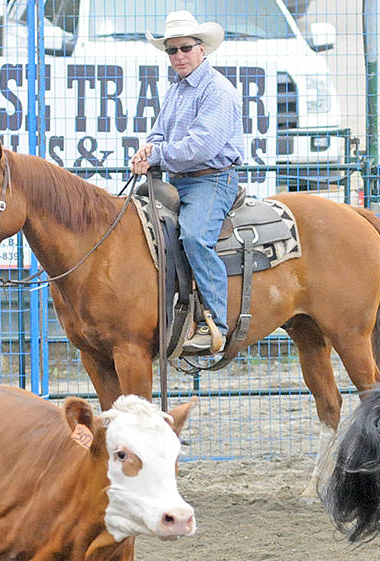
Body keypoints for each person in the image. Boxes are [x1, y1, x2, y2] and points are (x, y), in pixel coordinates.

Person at [131, 10, 244, 355]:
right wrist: (145, 150)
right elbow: (158, 133)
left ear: (202, 49)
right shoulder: (177, 91)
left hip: (212, 180)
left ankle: (216, 323)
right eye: (172, 50)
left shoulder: (218, 92)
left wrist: (157, 155)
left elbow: (201, 147)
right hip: (179, 179)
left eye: (185, 48)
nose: (178, 56)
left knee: (195, 236)